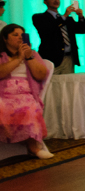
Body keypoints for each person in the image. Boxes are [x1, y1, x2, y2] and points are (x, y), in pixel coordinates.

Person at [0, 23, 53, 159]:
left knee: (29, 107)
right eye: (15, 35)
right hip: (3, 95)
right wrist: (18, 58)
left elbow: (41, 75)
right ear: (5, 38)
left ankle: (33, 147)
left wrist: (29, 57)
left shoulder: (32, 54)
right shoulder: (1, 56)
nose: (19, 38)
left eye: (21, 35)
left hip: (26, 95)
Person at [31, 0, 85, 74]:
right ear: (45, 2)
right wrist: (64, 15)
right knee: (50, 84)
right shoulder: (39, 17)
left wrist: (80, 16)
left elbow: (82, 30)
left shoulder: (67, 19)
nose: (56, 1)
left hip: (69, 58)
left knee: (68, 84)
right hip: (51, 58)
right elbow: (50, 29)